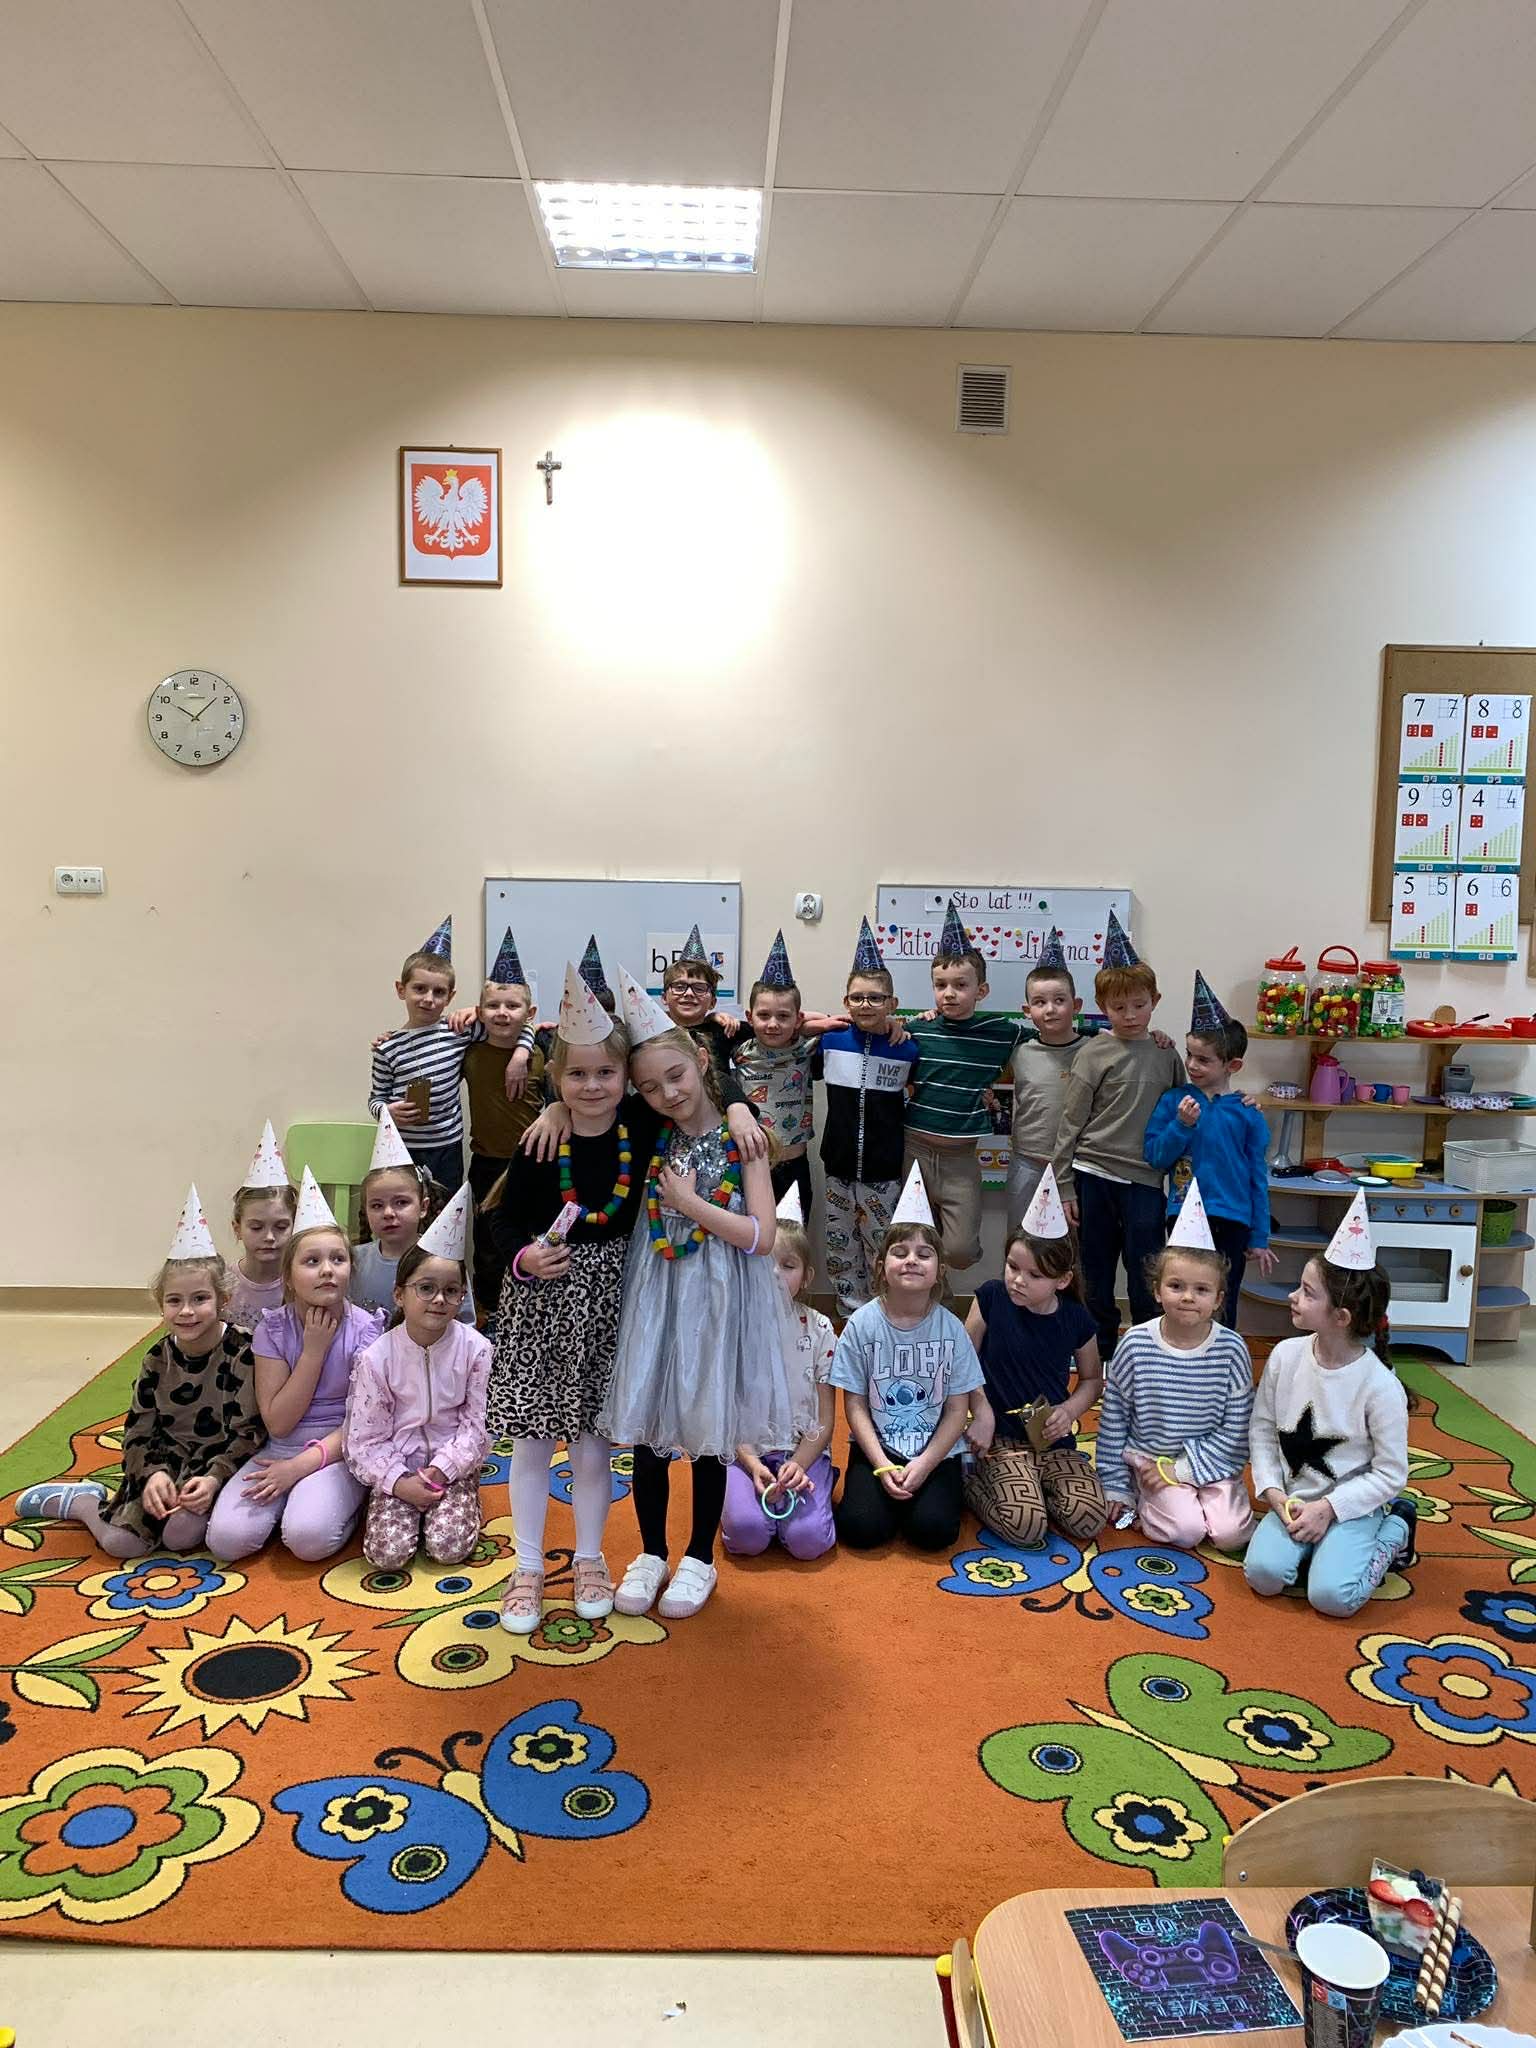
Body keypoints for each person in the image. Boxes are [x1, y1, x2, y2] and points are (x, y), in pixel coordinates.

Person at [601, 969, 805, 1621]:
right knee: (650, 1423)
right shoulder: (650, 1128)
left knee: (711, 1425)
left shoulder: (746, 1138)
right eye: (650, 1087)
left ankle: (697, 1557)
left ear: (700, 1060)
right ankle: (651, 1552)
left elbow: (762, 1237)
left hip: (720, 1295)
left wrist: (691, 1203)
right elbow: (585, 1103)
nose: (667, 1093)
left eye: (676, 1077)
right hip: (658, 1291)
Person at [17, 1188, 263, 1555]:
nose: (187, 1311)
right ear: (161, 1305)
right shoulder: (157, 1359)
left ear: (223, 1300)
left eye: (200, 1299)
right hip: (164, 1462)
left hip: (216, 1463)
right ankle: (84, 1502)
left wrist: (214, 1478)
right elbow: (138, 1430)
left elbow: (250, 1431)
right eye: (174, 1301)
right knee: (121, 1543)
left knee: (181, 1536)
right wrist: (152, 1475)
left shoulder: (242, 1352)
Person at [1245, 1192, 1415, 1616]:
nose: (1293, 1297)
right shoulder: (1285, 1356)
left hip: (1350, 1508)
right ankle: (1319, 1551)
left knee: (1333, 1599)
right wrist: (1272, 1492)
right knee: (1263, 1575)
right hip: (1294, 1500)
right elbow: (1262, 1429)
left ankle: (1395, 1528)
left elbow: (1391, 1473)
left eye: (1307, 1293)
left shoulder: (1379, 1386)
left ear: (1341, 1317)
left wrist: (1330, 1509)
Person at [206, 1170, 384, 1562]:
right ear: (288, 1276)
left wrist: (299, 1469)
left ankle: (346, 1503)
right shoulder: (273, 1330)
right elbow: (279, 1423)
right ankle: (295, 1505)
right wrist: (312, 1353)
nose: (327, 1269)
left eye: (338, 1259)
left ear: (350, 1270)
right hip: (282, 1446)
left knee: (308, 1540)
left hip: (341, 1450)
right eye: (312, 1261)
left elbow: (365, 1424)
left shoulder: (368, 1331)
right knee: (226, 1541)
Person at [830, 1165, 985, 1553]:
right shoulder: (861, 1325)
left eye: (923, 1254)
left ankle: (937, 1490)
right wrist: (881, 1464)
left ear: (939, 1272)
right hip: (876, 1447)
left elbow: (957, 1410)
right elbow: (855, 1405)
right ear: (882, 1267)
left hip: (936, 1450)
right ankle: (887, 1496)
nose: (911, 1260)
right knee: (861, 1530)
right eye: (899, 1253)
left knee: (934, 1532)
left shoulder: (952, 1329)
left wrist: (926, 1464)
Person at [1052, 912, 1185, 1360]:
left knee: (1147, 1267)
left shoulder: (1167, 1055)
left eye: (1139, 1005)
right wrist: (1064, 1185)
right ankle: (1100, 1353)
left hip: (1146, 1179)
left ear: (1155, 1001)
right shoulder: (1094, 1053)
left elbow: (1183, 1115)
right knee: (1095, 1268)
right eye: (1119, 1007)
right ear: (1102, 1006)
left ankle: (1147, 1351)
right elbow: (1070, 1123)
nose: (1130, 1015)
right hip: (1094, 1174)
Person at [1093, 1185, 1255, 1551]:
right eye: (1176, 1286)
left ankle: (1204, 1500)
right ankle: (1147, 1496)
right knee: (1186, 1531)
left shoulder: (1232, 1350)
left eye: (1201, 1290)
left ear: (1219, 1299)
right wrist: (1115, 1483)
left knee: (1231, 1535)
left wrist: (1185, 1469)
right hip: (1152, 1462)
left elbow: (1237, 1429)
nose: (1187, 1297)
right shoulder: (1135, 1344)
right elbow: (1114, 1418)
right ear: (1157, 1290)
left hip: (1213, 1463)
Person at [344, 1189, 492, 1571]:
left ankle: (465, 1498)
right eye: (426, 1288)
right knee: (387, 1555)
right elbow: (363, 1439)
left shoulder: (476, 1350)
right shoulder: (376, 1357)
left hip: (452, 1466)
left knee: (448, 1548)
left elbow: (478, 1426)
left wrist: (445, 1468)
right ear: (399, 1294)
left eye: (451, 1291)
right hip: (398, 1467)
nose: (439, 1299)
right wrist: (398, 1482)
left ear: (462, 1296)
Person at [962, 1167, 1108, 1548]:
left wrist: (1070, 1410)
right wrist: (981, 1410)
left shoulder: (1076, 1318)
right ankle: (972, 1480)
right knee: (1027, 1526)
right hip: (1000, 1437)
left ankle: (1032, 1487)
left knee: (1090, 1518)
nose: (1018, 1280)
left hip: (1050, 1438)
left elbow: (1092, 1379)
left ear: (1063, 1280)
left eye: (1035, 1275)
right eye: (1013, 1267)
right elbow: (961, 1361)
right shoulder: (990, 1298)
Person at [1144, 971, 1275, 1328]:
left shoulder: (1248, 1114)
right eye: (1190, 1055)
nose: (1191, 1065)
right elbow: (1155, 1157)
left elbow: (1257, 1177)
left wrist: (1259, 1236)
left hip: (1233, 1220)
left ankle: (1220, 1355)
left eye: (1203, 1060)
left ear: (1232, 1066)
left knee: (1223, 1299)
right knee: (1182, 1293)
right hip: (1183, 1213)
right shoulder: (1174, 1101)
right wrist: (1181, 1125)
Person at [902, 900, 1024, 1280]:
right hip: (913, 1151)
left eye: (960, 985)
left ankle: (940, 1279)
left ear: (981, 990)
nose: (949, 994)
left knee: (959, 1251)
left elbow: (1055, 1035)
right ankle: (930, 1299)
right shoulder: (917, 1029)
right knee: (911, 1244)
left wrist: (1121, 1034)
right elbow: (876, 1028)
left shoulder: (1000, 1034)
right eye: (940, 986)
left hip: (961, 1159)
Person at [368, 916, 533, 1191]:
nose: (428, 998)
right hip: (400, 1147)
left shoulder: (459, 1030)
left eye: (439, 992)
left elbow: (520, 1027)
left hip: (447, 1147)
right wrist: (386, 1111)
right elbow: (376, 1098)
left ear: (450, 997)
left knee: (447, 1209)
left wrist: (521, 1054)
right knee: (406, 1207)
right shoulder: (387, 1047)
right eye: (419, 989)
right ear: (401, 989)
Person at [722, 1186, 837, 1562]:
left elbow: (824, 1417)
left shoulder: (820, 1329)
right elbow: (726, 1411)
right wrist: (752, 1463)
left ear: (806, 1276)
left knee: (808, 1542)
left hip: (801, 1453)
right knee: (747, 1536)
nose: (774, 1273)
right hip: (745, 1453)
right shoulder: (734, 1327)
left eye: (787, 1266)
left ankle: (820, 1481)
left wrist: (799, 1464)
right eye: (765, 1262)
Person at [814, 919, 921, 1317]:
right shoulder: (830, 1041)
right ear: (846, 1001)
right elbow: (786, 1032)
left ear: (892, 1003)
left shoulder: (907, 1048)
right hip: (838, 1166)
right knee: (841, 1245)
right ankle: (850, 1315)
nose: (865, 1005)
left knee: (883, 1244)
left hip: (883, 1169)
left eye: (876, 998)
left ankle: (884, 1314)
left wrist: (904, 1027)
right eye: (857, 997)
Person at [464, 928, 546, 1312]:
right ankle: (489, 1312)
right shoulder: (469, 1051)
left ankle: (526, 1309)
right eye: (493, 1006)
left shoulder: (542, 1051)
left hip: (531, 1159)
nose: (502, 1013)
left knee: (530, 1235)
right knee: (487, 1243)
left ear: (530, 1014)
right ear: (480, 1011)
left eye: (512, 1006)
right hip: (486, 1162)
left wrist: (524, 1047)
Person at [1006, 930, 1097, 1235]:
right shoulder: (1019, 1051)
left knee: (1072, 1244)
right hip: (1027, 1162)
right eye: (1040, 1002)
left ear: (1076, 1004)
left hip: (1076, 1165)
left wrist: (1157, 1037)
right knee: (1020, 1239)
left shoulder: (1095, 1051)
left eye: (1060, 1000)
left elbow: (1132, 1044)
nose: (1050, 1009)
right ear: (1027, 1010)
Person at [349, 1108, 474, 1323]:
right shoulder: (354, 1261)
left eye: (401, 1202)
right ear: (366, 1211)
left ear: (423, 1207)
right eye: (377, 1205)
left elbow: (465, 1324)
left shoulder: (443, 1260)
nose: (388, 1213)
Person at [730, 930, 817, 1223]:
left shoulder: (808, 1047)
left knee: (792, 1242)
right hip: (748, 1166)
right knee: (749, 1242)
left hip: (794, 1165)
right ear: (749, 1016)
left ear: (798, 1019)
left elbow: (846, 1023)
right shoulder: (736, 1050)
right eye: (764, 1015)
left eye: (783, 1016)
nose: (773, 1024)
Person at [226, 1121, 297, 1332]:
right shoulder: (223, 1283)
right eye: (256, 1228)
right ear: (237, 1228)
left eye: (281, 1227)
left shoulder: (301, 1281)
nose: (269, 1237)